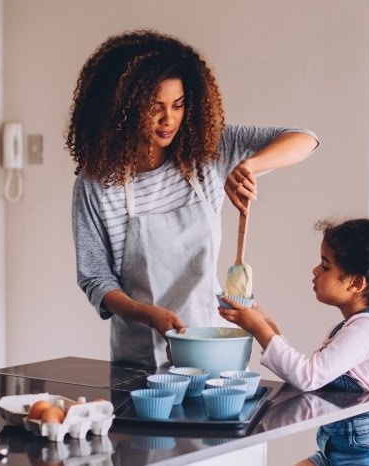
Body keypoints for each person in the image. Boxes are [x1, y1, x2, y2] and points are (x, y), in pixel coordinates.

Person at [66, 29, 319, 368]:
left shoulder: (208, 152)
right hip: (141, 353)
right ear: (120, 108)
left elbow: (305, 139)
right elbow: (96, 279)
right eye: (154, 107)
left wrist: (249, 167)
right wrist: (148, 314)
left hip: (212, 344)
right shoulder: (97, 184)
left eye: (178, 105)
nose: (168, 119)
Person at [219, 218, 369, 466]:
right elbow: (312, 373)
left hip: (368, 453)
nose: (315, 270)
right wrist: (267, 323)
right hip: (336, 450)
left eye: (326, 266)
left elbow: (307, 376)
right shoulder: (353, 327)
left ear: (356, 283)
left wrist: (258, 328)